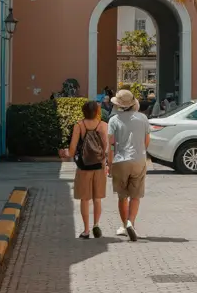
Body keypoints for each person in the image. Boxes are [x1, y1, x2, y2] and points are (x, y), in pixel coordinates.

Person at [107, 89, 151, 242]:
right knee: (135, 195)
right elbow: (147, 141)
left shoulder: (113, 120)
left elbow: (111, 144)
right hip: (139, 159)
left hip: (120, 160)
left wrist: (109, 163)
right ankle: (131, 222)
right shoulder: (143, 118)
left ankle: (124, 225)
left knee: (122, 196)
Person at [63, 100, 108, 239]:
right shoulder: (103, 125)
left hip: (83, 167)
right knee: (97, 198)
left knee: (84, 199)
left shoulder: (79, 126)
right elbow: (106, 148)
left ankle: (86, 230)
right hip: (99, 166)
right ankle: (96, 225)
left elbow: (72, 149)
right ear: (97, 112)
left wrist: (65, 153)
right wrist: (106, 163)